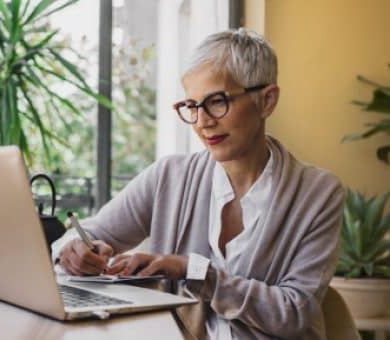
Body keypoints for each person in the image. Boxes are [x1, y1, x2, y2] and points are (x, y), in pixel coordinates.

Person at [52, 28, 344, 340]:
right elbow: (86, 235)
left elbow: (295, 313)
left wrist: (194, 271)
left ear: (267, 101)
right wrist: (74, 251)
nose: (203, 121)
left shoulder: (318, 194)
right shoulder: (169, 177)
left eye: (217, 102)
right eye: (192, 106)